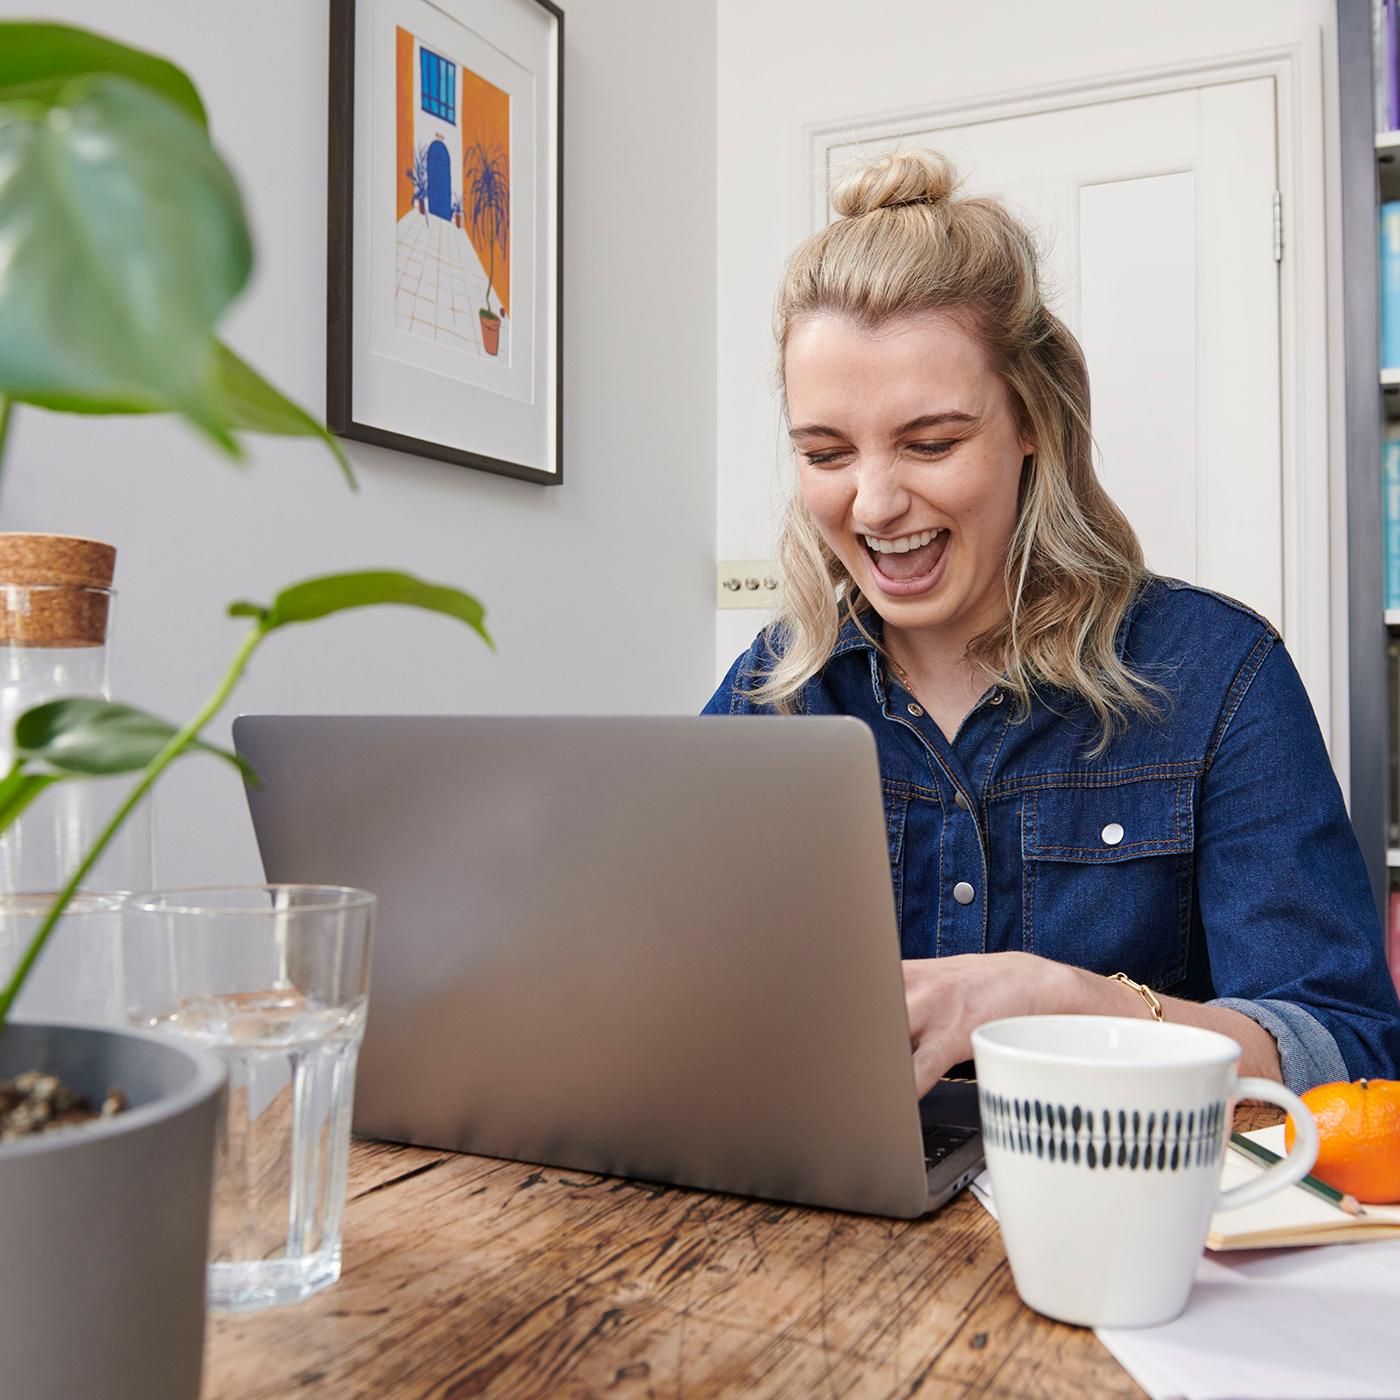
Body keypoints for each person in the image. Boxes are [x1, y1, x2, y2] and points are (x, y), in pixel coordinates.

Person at [705, 148, 1400, 1099]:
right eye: (826, 453)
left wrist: (1059, 1000)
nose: (872, 504)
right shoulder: (772, 692)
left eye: (931, 443)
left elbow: (1347, 1053)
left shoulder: (1218, 673)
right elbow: (665, 987)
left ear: (1035, 418)